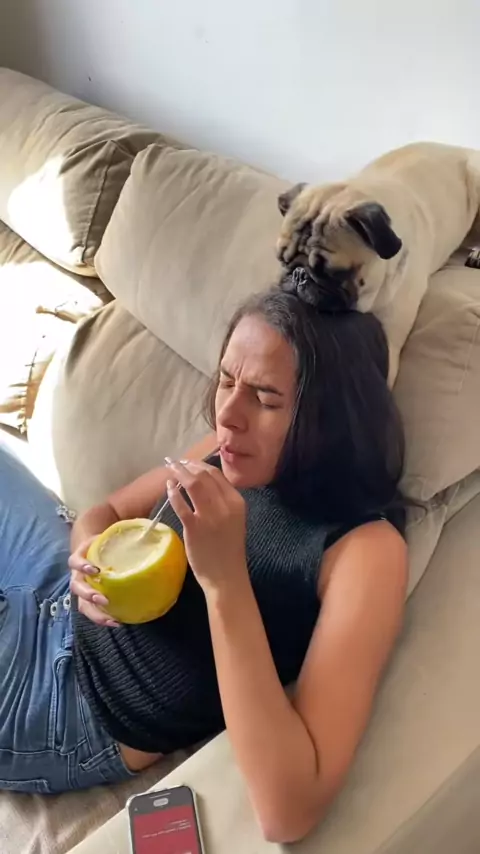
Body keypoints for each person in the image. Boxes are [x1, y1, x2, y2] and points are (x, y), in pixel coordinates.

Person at [0, 268, 407, 843]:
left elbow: (290, 808)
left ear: (333, 417)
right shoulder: (226, 446)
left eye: (265, 398)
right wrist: (86, 558)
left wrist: (223, 580)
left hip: (69, 708)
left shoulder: (363, 551)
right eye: (226, 381)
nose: (227, 415)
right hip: (54, 597)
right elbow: (107, 511)